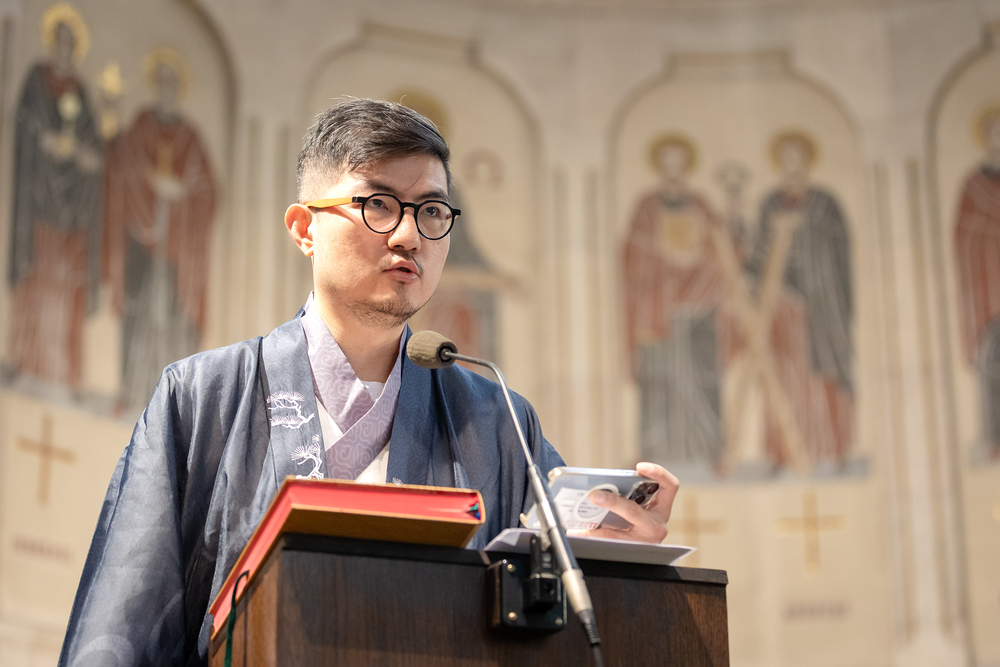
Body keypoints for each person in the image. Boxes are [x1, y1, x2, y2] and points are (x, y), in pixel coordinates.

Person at [60, 99, 679, 666]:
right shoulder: (204, 398)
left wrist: (617, 554)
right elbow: (121, 631)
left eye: (431, 211)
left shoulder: (497, 421)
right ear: (304, 228)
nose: (409, 235)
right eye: (377, 204)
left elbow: (565, 618)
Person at [102, 48, 217, 411]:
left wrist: (180, 194)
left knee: (172, 316)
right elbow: (122, 165)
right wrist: (151, 184)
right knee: (136, 312)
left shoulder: (190, 137)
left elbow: (209, 190)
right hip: (140, 242)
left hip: (176, 252)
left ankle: (170, 405)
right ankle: (131, 390)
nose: (167, 88)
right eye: (161, 81)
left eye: (172, 82)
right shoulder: (141, 126)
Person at [7, 4, 103, 390]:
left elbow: (94, 150)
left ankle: (62, 370)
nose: (64, 49)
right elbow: (24, 124)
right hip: (39, 204)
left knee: (65, 284)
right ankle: (26, 360)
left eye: (70, 43)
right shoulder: (36, 80)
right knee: (38, 277)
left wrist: (82, 155)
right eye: (59, 41)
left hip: (71, 211)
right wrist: (43, 141)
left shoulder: (81, 92)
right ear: (51, 43)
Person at [745, 131, 853, 470]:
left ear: (807, 161)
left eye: (797, 158)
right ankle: (782, 453)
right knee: (784, 378)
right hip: (783, 309)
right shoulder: (770, 205)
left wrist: (803, 231)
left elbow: (837, 251)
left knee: (824, 374)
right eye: (786, 159)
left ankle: (833, 451)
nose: (792, 166)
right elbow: (758, 256)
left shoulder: (824, 204)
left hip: (821, 308)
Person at [622, 134, 731, 471]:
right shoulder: (647, 207)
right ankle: (655, 456)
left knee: (702, 381)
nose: (673, 171)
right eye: (667, 164)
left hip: (699, 311)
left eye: (679, 164)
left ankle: (710, 451)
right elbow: (634, 255)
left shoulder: (701, 206)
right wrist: (666, 266)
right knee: (660, 384)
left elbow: (722, 253)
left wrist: (697, 274)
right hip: (657, 312)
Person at [954, 107, 1000, 459]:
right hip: (990, 292)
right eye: (994, 132)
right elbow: (965, 237)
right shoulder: (974, 185)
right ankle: (994, 438)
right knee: (993, 365)